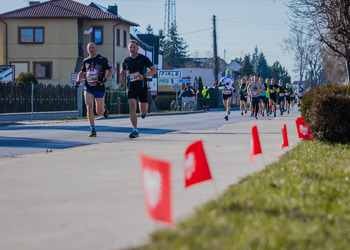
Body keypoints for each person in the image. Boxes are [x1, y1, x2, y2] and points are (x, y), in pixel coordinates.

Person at [75, 42, 114, 137]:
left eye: (93, 47)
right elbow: (81, 72)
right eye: (89, 48)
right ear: (87, 50)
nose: (91, 49)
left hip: (99, 87)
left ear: (97, 49)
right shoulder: (86, 61)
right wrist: (77, 81)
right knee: (89, 106)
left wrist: (104, 80)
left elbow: (111, 71)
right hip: (88, 87)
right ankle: (92, 129)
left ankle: (104, 110)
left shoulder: (102, 59)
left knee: (99, 112)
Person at [120, 40, 157, 138]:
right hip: (131, 87)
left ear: (137, 48)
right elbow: (122, 71)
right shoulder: (126, 60)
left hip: (142, 86)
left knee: (143, 109)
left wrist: (143, 75)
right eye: (130, 47)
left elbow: (154, 71)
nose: (132, 49)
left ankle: (143, 112)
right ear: (128, 49)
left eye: (134, 47)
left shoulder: (144, 59)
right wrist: (121, 78)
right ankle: (135, 130)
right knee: (132, 107)